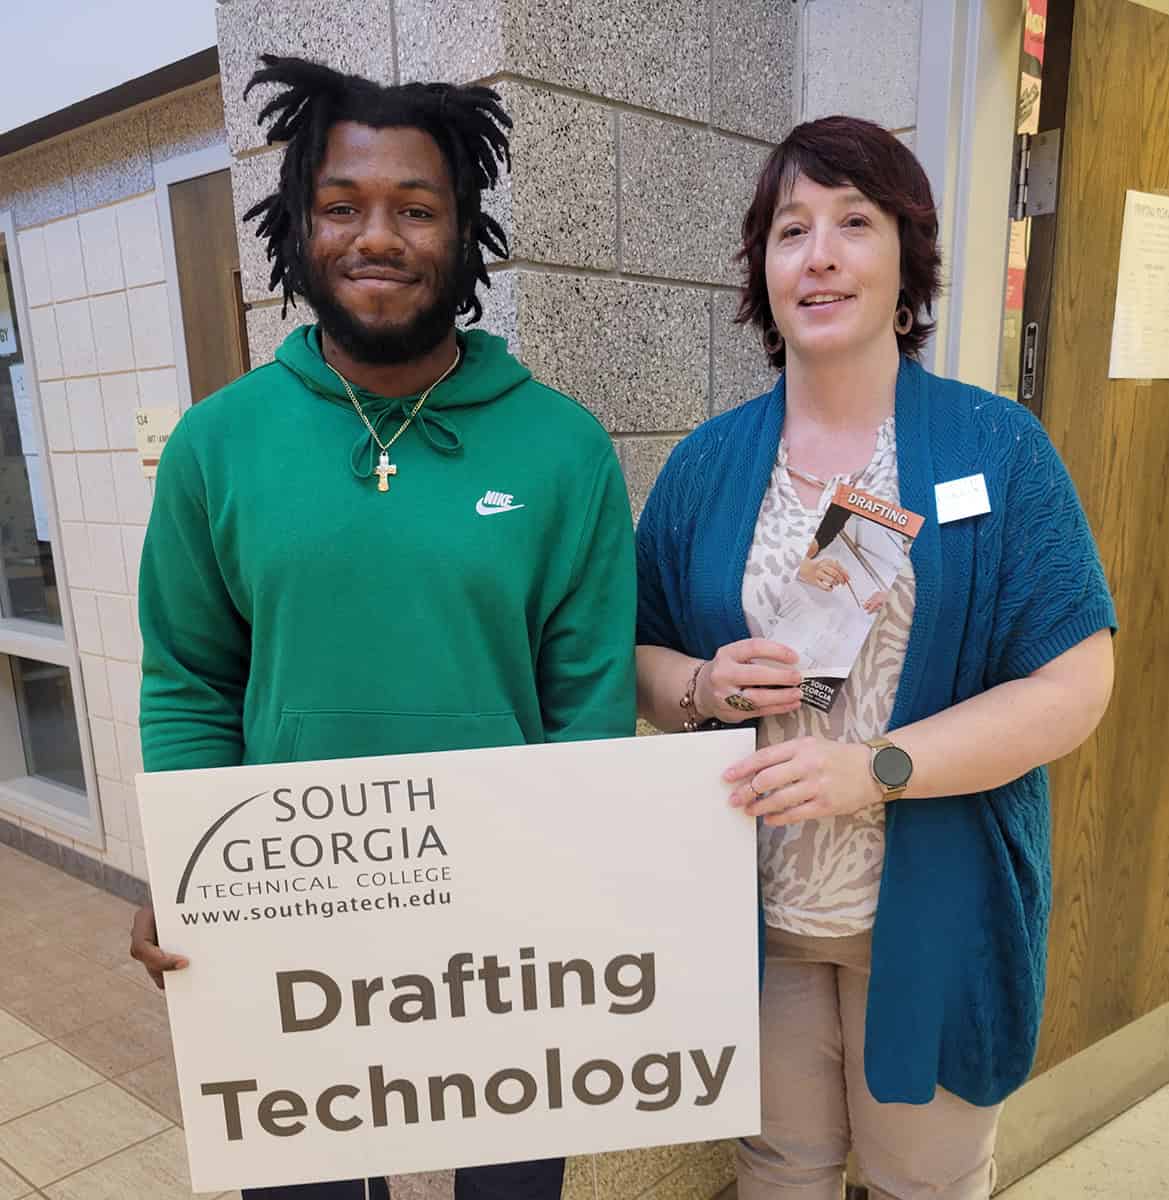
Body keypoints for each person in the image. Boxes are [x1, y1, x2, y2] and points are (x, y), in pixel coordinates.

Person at [128, 56, 635, 1200]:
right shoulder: (220, 445)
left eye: (415, 208)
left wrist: (589, 888)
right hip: (292, 911)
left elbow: (589, 696)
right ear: (296, 224)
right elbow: (191, 683)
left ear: (463, 233)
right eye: (343, 205)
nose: (378, 236)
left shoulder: (562, 448)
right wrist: (192, 869)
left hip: (509, 932)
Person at [634, 116, 1115, 1200]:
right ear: (761, 271)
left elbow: (1074, 682)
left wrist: (875, 767)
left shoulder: (993, 449)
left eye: (854, 222)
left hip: (933, 902)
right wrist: (702, 686)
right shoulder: (709, 464)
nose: (820, 254)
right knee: (777, 1170)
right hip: (755, 911)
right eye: (790, 228)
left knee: (924, 1183)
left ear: (905, 259)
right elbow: (632, 650)